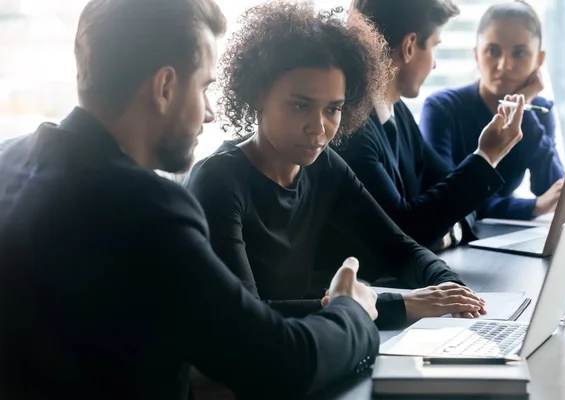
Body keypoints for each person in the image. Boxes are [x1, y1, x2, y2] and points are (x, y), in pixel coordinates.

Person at [0, 1, 383, 399]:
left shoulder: (8, 163)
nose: (211, 114)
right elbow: (281, 363)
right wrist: (350, 310)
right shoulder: (146, 209)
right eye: (203, 87)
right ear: (165, 87)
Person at [185, 0, 489, 331]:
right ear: (259, 95)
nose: (318, 128)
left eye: (333, 109)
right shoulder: (218, 182)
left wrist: (452, 288)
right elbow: (244, 321)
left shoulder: (323, 164)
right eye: (300, 105)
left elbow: (397, 246)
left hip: (312, 351)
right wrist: (402, 305)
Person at [332, 0, 525, 251]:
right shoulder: (354, 131)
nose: (434, 63)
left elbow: (459, 202)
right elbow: (405, 233)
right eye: (434, 45)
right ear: (410, 46)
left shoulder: (397, 112)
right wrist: (487, 156)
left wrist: (448, 234)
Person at [421, 0, 565, 220]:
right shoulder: (442, 109)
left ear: (539, 59)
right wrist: (532, 207)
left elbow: (556, 192)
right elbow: (447, 199)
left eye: (519, 53)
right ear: (477, 54)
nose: (504, 65)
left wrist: (522, 106)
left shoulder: (540, 111)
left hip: (501, 233)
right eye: (493, 51)